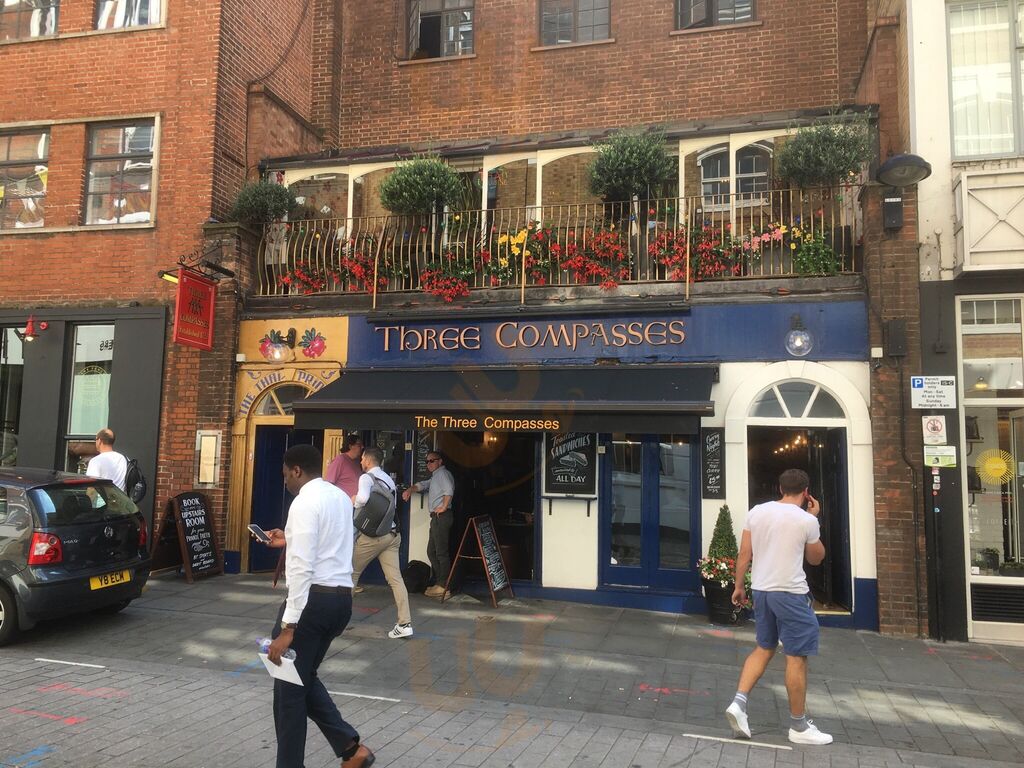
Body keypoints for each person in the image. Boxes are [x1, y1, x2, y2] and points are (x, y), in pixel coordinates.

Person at [260, 444, 375, 768]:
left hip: (311, 603)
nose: (285, 481)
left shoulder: (303, 502)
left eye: (285, 475)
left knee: (288, 692)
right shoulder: (338, 496)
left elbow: (301, 569)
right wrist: (289, 538)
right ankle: (351, 749)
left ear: (297, 470)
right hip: (340, 599)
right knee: (302, 678)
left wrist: (288, 627)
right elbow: (331, 541)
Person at [726, 468, 831, 746]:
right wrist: (814, 518)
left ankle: (739, 703)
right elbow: (816, 558)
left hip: (762, 590)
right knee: (796, 657)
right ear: (806, 493)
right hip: (791, 594)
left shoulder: (757, 512)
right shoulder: (806, 520)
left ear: (780, 488)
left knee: (764, 647)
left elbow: (744, 553)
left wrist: (739, 586)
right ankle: (799, 726)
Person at [351, 446, 413, 639]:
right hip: (391, 534)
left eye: (362, 459)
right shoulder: (388, 479)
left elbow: (362, 499)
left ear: (368, 460)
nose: (361, 461)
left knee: (350, 574)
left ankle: (336, 619)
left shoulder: (366, 478)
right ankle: (405, 623)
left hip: (372, 537)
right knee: (396, 579)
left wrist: (353, 499)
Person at [402, 451, 454, 598]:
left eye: (432, 461)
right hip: (437, 517)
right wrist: (410, 489)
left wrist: (444, 507)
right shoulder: (436, 476)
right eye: (427, 461)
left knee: (441, 552)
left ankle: (444, 586)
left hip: (442, 516)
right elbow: (424, 484)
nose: (428, 464)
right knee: (432, 551)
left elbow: (449, 491)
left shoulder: (443, 474)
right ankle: (439, 582)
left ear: (440, 461)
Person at [86, 428, 127, 492]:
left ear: (99, 441)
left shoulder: (95, 461)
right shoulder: (122, 458)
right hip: (120, 497)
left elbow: (91, 488)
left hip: (103, 497)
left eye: (95, 440)